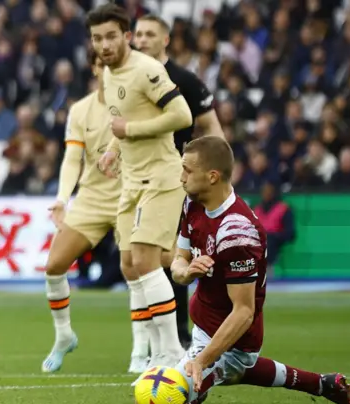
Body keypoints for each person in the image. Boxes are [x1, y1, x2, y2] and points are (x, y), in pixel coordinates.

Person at [162, 136, 350, 404]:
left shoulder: (236, 231)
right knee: (228, 374)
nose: (181, 177)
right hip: (205, 325)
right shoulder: (192, 203)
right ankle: (323, 384)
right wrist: (187, 271)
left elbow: (243, 312)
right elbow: (177, 262)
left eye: (187, 170)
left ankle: (208, 376)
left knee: (164, 402)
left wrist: (202, 361)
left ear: (213, 176)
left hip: (235, 339)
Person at [88, 3, 193, 370]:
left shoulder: (148, 70)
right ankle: (195, 265)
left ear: (126, 36)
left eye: (111, 36)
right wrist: (113, 151)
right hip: (131, 180)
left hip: (161, 177)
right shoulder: (107, 72)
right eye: (97, 38)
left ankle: (171, 352)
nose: (104, 45)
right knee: (130, 264)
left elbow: (182, 115)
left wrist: (129, 132)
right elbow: (122, 120)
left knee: (146, 262)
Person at [133, 14, 224, 352]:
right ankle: (150, 336)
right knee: (138, 257)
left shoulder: (185, 80)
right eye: (138, 34)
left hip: (174, 176)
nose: (141, 40)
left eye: (149, 34)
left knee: (172, 254)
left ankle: (179, 333)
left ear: (166, 39)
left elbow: (212, 128)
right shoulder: (125, 78)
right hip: (134, 177)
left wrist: (218, 172)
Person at [41, 53, 138, 372]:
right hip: (92, 197)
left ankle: (142, 348)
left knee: (134, 269)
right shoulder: (80, 110)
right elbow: (72, 158)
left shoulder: (134, 103)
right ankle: (64, 335)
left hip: (129, 194)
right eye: (103, 64)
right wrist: (61, 198)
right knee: (54, 265)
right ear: (95, 69)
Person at [253, 181, 295, 270]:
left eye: (269, 191)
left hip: (274, 241)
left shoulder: (284, 209)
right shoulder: (257, 209)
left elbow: (290, 234)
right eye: (264, 191)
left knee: (268, 240)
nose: (266, 194)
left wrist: (273, 236)